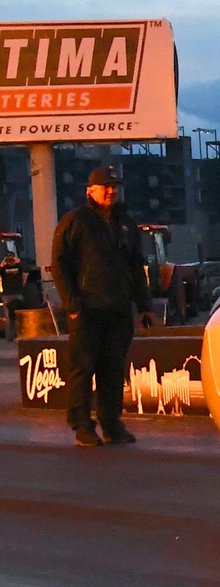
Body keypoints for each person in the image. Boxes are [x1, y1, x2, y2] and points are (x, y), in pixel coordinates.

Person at [51, 166, 158, 449]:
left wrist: (145, 305)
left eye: (114, 186)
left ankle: (111, 424)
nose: (111, 191)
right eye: (104, 186)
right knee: (83, 370)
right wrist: (72, 305)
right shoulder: (76, 221)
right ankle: (82, 426)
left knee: (112, 370)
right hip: (87, 310)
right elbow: (59, 264)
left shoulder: (126, 223)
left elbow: (136, 265)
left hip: (119, 310)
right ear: (90, 190)